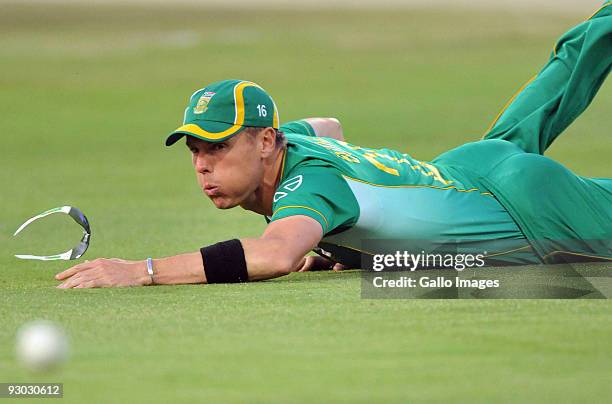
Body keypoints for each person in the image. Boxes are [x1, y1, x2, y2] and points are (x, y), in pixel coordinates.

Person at [56, 2, 611, 289]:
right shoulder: (291, 139)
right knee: (568, 65)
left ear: (266, 141)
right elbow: (330, 126)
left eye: (219, 148)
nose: (203, 165)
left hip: (522, 209)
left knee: (564, 81)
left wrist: (141, 270)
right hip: (468, 167)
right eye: (195, 150)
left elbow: (275, 254)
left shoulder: (307, 184)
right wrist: (346, 246)